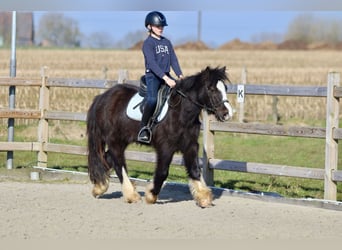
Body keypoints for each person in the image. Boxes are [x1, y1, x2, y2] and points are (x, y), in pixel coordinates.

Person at [137, 11, 183, 143]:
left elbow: (173, 59)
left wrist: (179, 75)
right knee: (152, 100)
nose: (161, 28)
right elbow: (152, 63)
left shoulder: (167, 42)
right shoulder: (148, 43)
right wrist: (166, 78)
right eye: (158, 26)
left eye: (162, 26)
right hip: (153, 77)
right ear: (150, 27)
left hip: (167, 75)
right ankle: (143, 128)